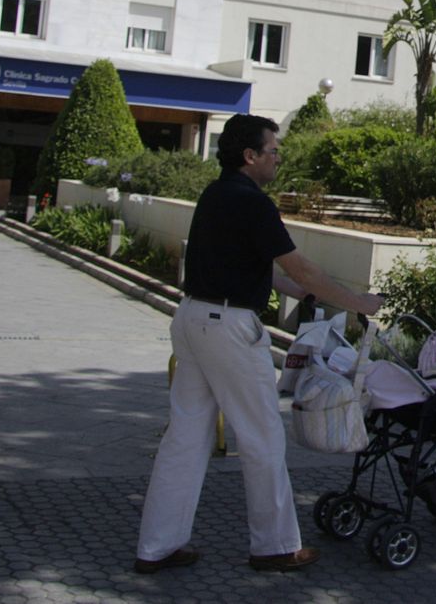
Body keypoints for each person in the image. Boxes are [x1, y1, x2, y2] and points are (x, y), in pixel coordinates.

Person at [134, 113, 383, 574]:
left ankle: (158, 546)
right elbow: (301, 267)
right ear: (251, 156)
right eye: (273, 150)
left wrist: (304, 295)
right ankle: (274, 546)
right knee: (263, 434)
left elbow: (260, 269)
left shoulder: (215, 194)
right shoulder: (253, 203)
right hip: (228, 327)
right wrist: (357, 303)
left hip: (192, 318)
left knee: (185, 437)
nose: (278, 157)